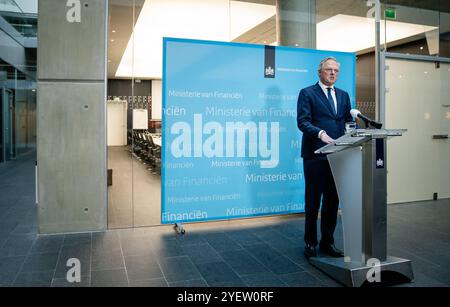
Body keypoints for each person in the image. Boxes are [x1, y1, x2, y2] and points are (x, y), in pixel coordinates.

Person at [297, 57, 353, 260]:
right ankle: (310, 242)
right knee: (312, 201)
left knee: (332, 201)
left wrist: (352, 134)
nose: (333, 73)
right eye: (329, 69)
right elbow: (303, 122)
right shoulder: (307, 93)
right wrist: (321, 134)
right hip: (315, 154)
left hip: (338, 155)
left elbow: (348, 121)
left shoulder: (344, 95)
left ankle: (327, 242)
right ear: (319, 72)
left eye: (336, 71)